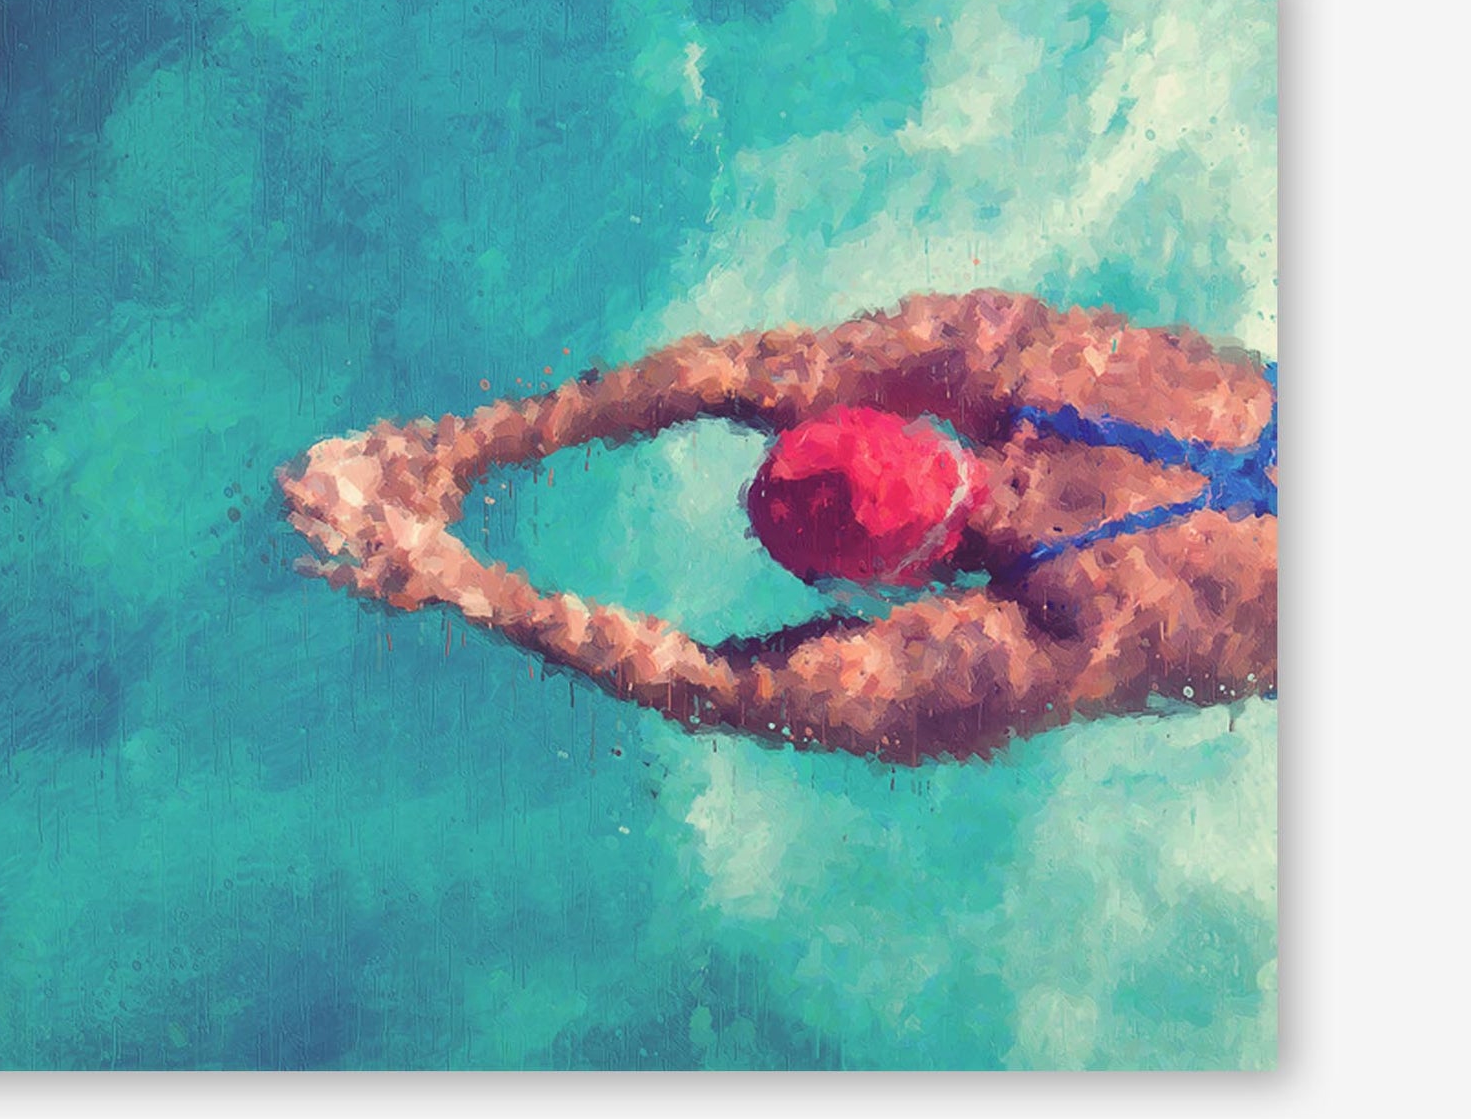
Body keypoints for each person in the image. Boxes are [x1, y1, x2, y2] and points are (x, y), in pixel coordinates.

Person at [276, 290, 1277, 764]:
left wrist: (453, 578)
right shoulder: (1035, 363)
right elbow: (742, 373)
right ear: (890, 420)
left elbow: (722, 686)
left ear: (885, 582)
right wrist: (467, 448)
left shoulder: (1065, 631)